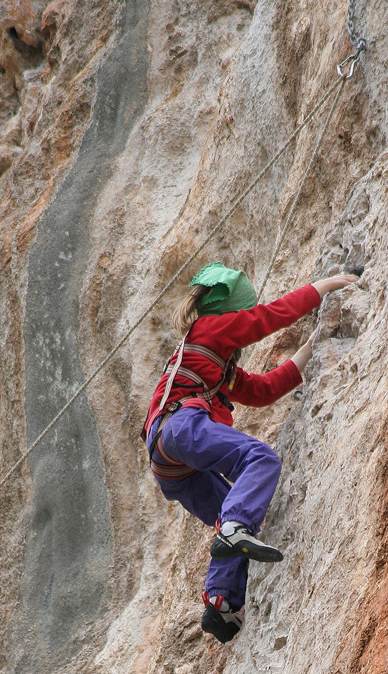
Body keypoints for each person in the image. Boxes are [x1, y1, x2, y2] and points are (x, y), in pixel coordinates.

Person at [144, 262, 358, 643]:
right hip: (181, 429)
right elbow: (267, 318)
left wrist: (311, 348)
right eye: (240, 315)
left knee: (235, 516)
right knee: (260, 460)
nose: (242, 327)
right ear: (231, 313)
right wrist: (326, 285)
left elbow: (261, 391)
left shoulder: (212, 360)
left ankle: (222, 605)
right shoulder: (213, 328)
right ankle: (232, 533)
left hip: (169, 462)